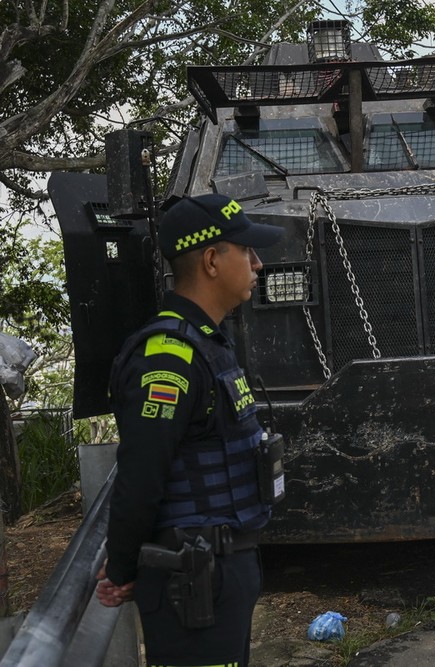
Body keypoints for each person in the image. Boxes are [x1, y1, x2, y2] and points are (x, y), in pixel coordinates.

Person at [95, 193, 285, 667]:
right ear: (212, 261)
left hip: (222, 571)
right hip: (193, 579)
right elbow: (141, 473)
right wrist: (121, 567)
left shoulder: (208, 346)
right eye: (246, 251)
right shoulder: (168, 356)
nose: (258, 263)